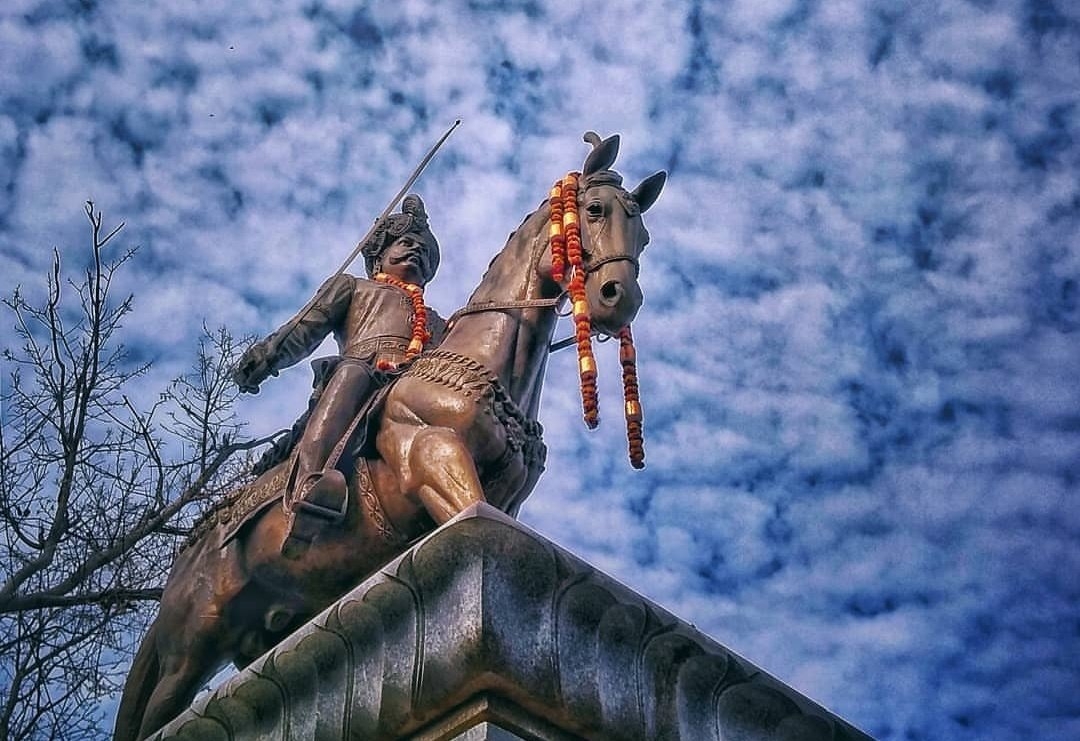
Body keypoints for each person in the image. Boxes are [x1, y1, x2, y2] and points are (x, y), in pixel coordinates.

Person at [233, 195, 446, 556]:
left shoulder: (437, 321)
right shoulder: (354, 287)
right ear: (379, 253)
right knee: (351, 375)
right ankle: (310, 482)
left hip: (414, 380)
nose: (416, 252)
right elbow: (303, 328)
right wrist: (268, 355)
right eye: (406, 243)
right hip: (366, 369)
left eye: (423, 250)